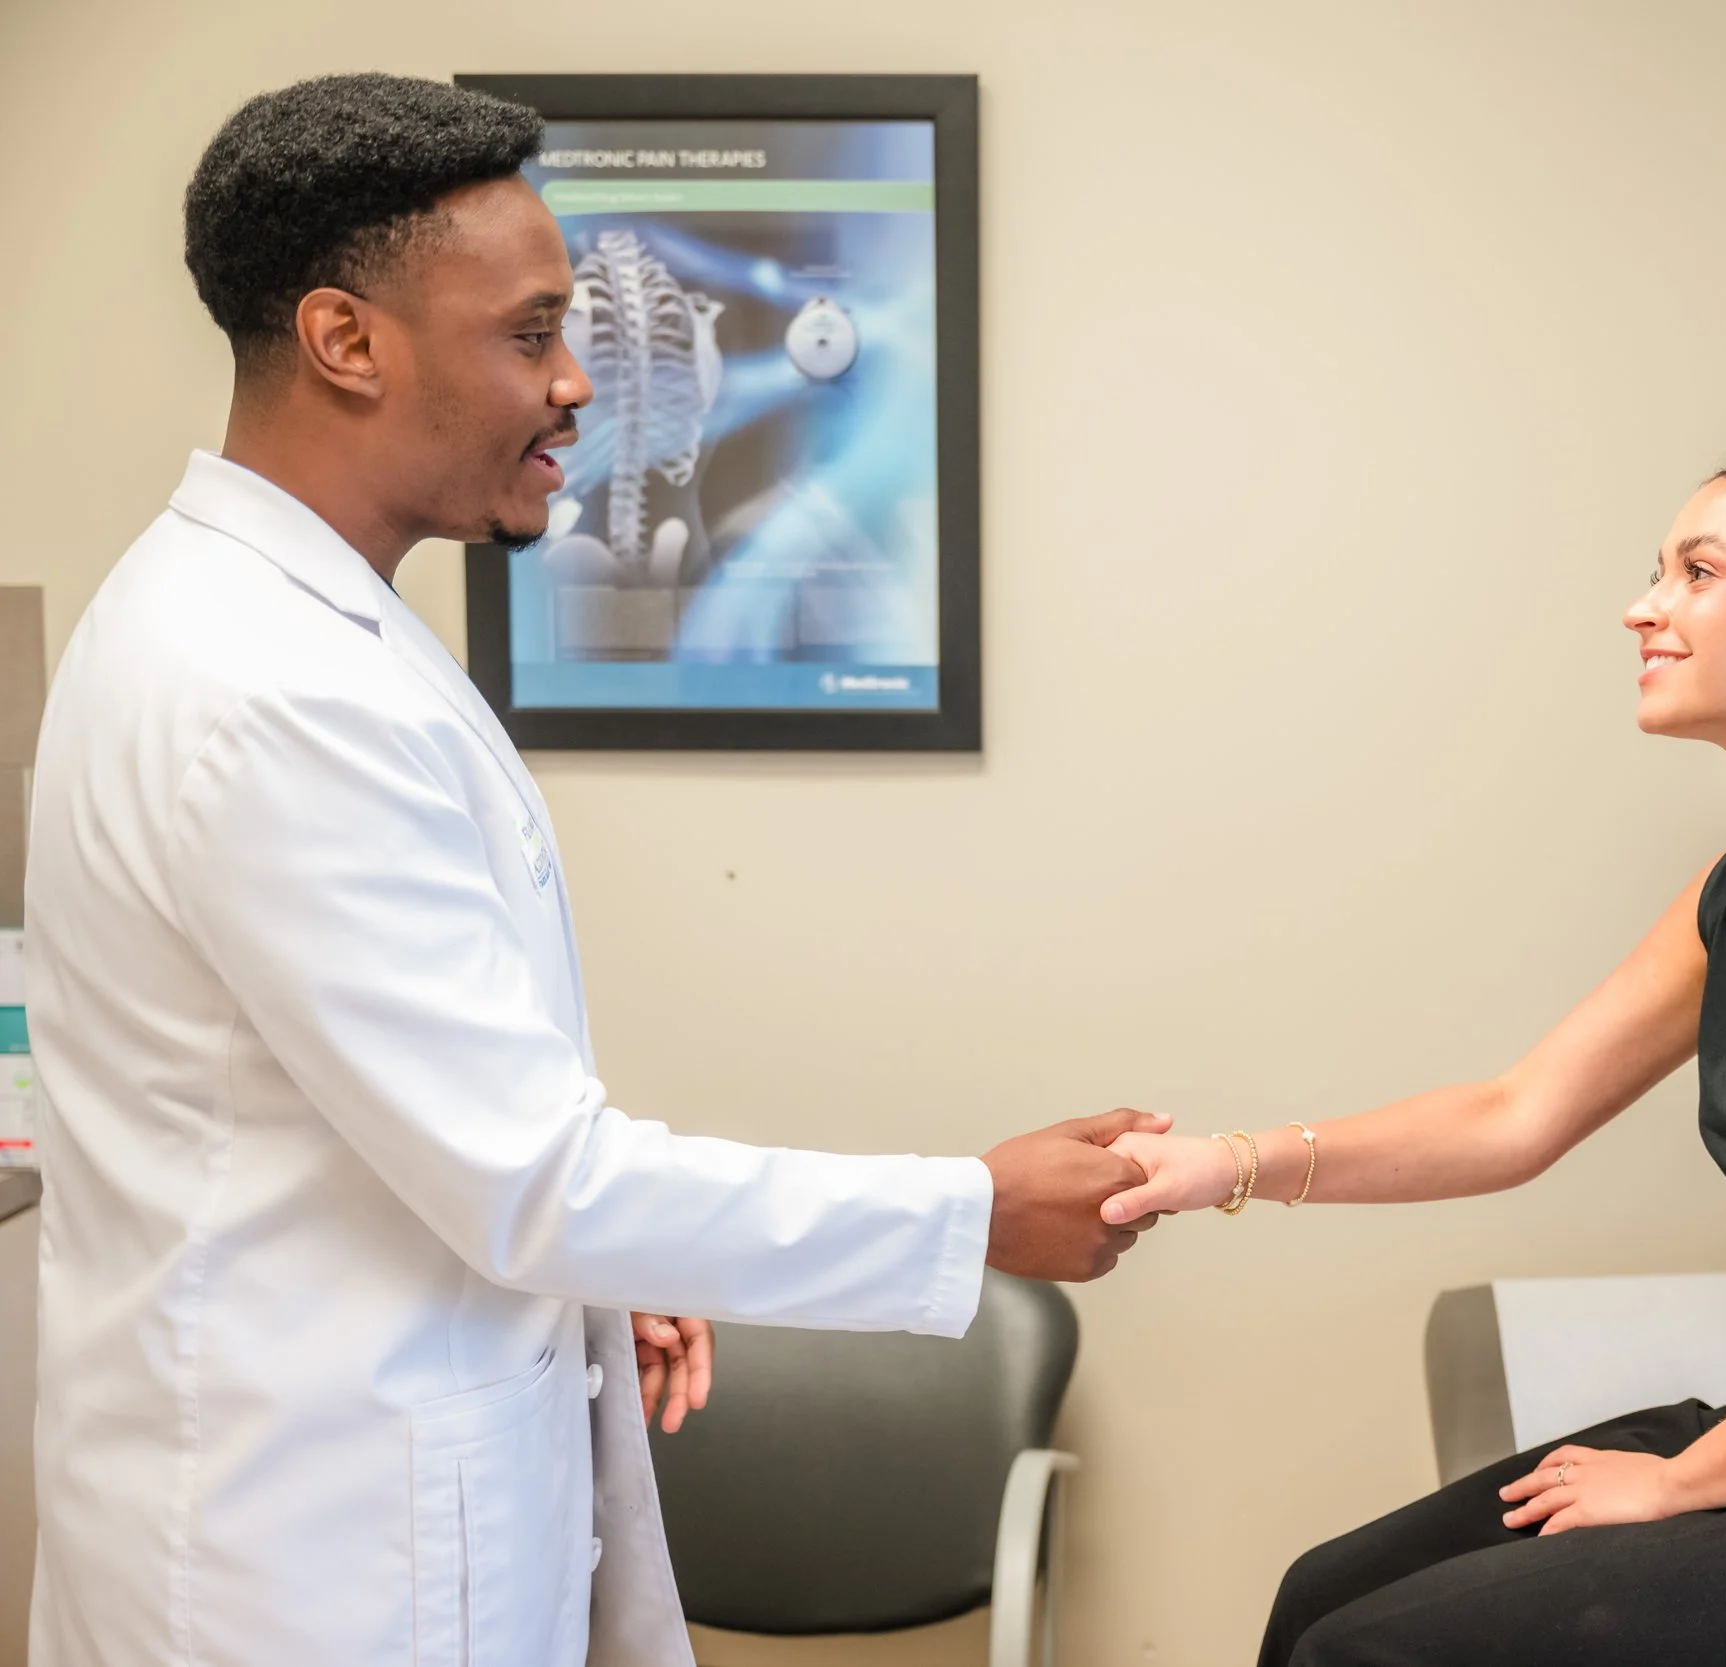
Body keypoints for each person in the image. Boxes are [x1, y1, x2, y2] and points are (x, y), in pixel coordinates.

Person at [22, 74, 1160, 1667]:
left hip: (334, 1490)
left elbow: (387, 1121)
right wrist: (972, 1210)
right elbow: (534, 1173)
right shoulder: (270, 688)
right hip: (314, 1562)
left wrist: (586, 1276)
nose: (575, 383)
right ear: (349, 342)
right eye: (526, 333)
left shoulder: (263, 627)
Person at [1101, 456, 1726, 1666]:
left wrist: (1678, 1482)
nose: (1642, 606)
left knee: (1361, 1654)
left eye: (1697, 572)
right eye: (1657, 573)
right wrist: (1221, 1162)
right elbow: (1514, 1113)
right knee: (1317, 1596)